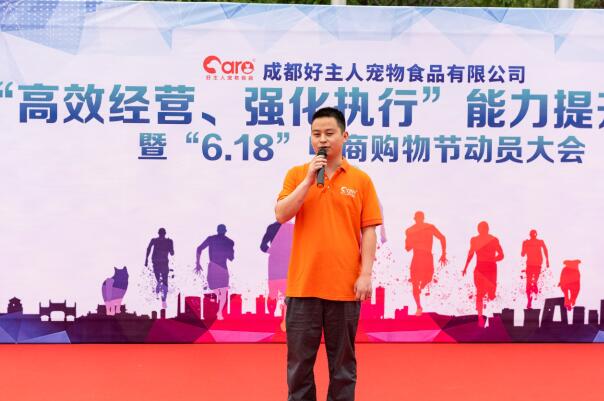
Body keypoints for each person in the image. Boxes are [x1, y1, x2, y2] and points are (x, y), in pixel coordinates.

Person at [275, 107, 382, 401]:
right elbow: (281, 214)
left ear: (344, 136)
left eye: (329, 133)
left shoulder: (361, 180)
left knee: (343, 367)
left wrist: (365, 274)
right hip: (303, 287)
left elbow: (369, 230)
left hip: (345, 288)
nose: (322, 139)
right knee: (299, 367)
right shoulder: (297, 174)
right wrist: (308, 180)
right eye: (316, 134)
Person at [404, 211, 448, 316]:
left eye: (420, 218)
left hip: (427, 256)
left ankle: (421, 287)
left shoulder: (430, 227)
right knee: (415, 284)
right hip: (417, 257)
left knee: (427, 279)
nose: (419, 220)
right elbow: (407, 248)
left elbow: (442, 237)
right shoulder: (410, 230)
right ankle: (419, 306)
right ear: (415, 219)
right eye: (417, 219)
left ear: (422, 218)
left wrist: (443, 254)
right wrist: (412, 241)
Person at [462, 221, 504, 327]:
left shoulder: (494, 240)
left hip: (490, 268)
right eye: (481, 229)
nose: (482, 231)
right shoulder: (475, 240)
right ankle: (480, 317)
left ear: (487, 229)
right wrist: (465, 267)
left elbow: (501, 255)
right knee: (480, 294)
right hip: (480, 268)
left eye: (483, 229)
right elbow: (470, 253)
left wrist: (493, 259)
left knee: (491, 295)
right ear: (478, 230)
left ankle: (485, 314)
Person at [195, 224, 235, 320]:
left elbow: (199, 248)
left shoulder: (211, 239)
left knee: (214, 288)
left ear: (217, 230)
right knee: (222, 292)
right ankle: (219, 311)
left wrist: (198, 263)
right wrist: (228, 249)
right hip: (222, 268)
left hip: (213, 267)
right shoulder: (229, 241)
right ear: (225, 231)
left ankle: (219, 311)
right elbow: (231, 258)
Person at [260, 220, 294, 331]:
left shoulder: (272, 227)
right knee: (283, 294)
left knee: (276, 294)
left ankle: (281, 320)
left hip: (277, 264)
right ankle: (282, 320)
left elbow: (263, 246)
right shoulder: (292, 227)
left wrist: (273, 251)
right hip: (285, 263)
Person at [145, 228, 174, 310]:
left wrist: (146, 260)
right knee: (165, 282)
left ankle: (159, 283)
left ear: (158, 233)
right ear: (165, 233)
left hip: (156, 262)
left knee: (159, 280)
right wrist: (169, 246)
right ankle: (164, 300)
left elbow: (148, 249)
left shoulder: (154, 240)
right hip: (163, 262)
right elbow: (172, 253)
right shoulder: (169, 241)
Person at [521, 229, 550, 309]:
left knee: (530, 283)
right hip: (533, 264)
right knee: (530, 283)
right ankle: (529, 301)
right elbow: (523, 254)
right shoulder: (533, 242)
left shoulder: (538, 242)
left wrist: (547, 260)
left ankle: (530, 300)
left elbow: (522, 254)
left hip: (534, 264)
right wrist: (547, 260)